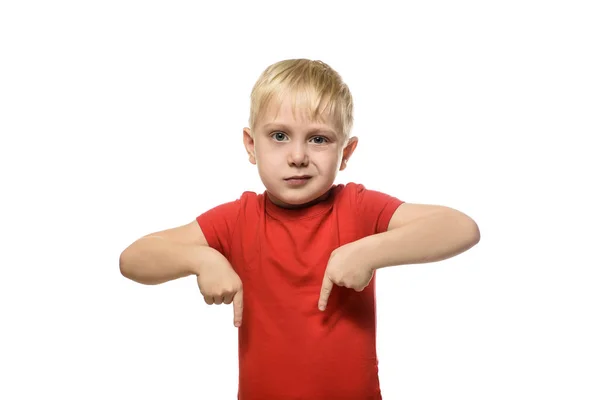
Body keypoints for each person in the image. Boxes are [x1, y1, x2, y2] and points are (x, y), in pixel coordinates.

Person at [119, 58, 480, 399]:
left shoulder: (356, 207)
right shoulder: (237, 218)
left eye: (319, 139)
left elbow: (459, 227)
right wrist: (201, 259)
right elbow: (134, 258)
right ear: (251, 145)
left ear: (347, 153)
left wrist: (368, 251)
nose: (297, 156)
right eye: (279, 136)